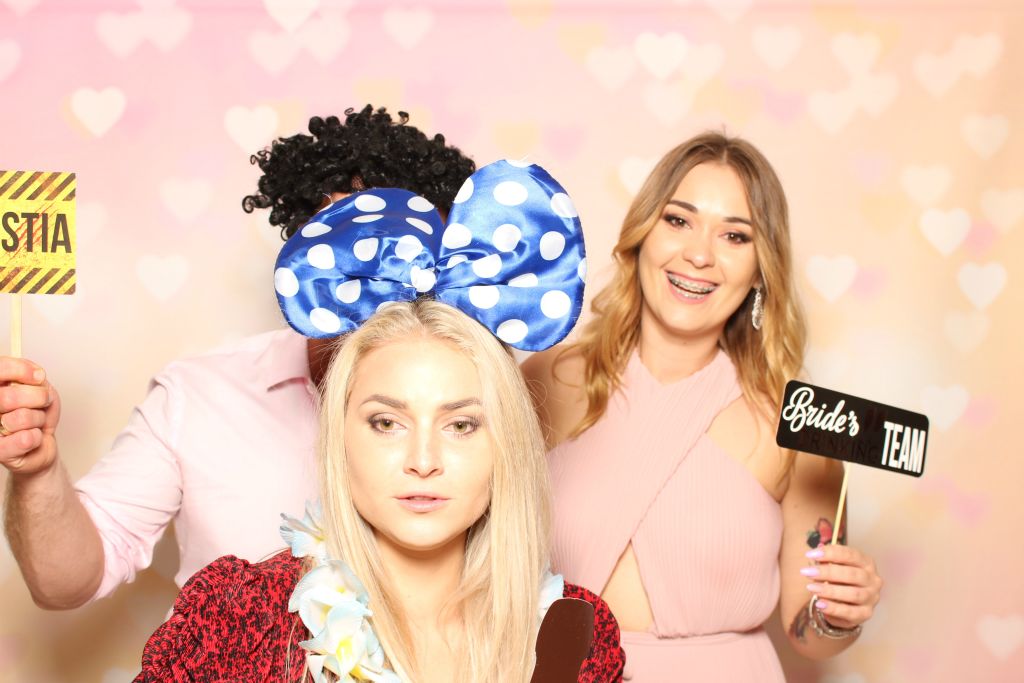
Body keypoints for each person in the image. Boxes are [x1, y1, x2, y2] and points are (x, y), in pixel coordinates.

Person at [134, 163, 622, 681]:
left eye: (461, 425)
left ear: (507, 444)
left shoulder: (574, 632)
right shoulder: (239, 618)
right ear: (339, 436)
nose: (423, 461)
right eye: (387, 423)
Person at [0, 105, 476, 609]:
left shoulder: (492, 401)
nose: (377, 283)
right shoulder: (199, 395)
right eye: (349, 251)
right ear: (301, 255)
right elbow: (64, 583)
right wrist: (37, 471)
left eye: (405, 259)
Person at [522, 132, 883, 680]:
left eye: (735, 235)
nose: (699, 254)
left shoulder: (799, 424)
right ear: (643, 233)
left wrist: (839, 614)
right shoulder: (549, 379)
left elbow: (807, 634)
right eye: (678, 220)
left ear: (761, 268)